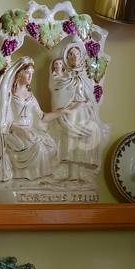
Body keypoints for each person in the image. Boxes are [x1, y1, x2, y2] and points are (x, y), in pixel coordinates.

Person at [0, 57, 59, 183]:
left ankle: (42, 178)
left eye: (32, 74)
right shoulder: (9, 95)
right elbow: (6, 121)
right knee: (37, 146)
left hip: (29, 129)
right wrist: (21, 130)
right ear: (18, 74)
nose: (30, 77)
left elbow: (42, 116)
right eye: (27, 73)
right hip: (14, 131)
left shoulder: (30, 96)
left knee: (47, 143)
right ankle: (32, 178)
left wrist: (61, 112)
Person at [49, 40, 106, 183]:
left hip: (83, 112)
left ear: (81, 57)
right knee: (69, 142)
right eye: (71, 55)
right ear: (67, 58)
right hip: (68, 112)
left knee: (81, 141)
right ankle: (71, 174)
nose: (74, 57)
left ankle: (80, 174)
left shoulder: (85, 76)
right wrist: (67, 108)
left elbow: (90, 96)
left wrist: (83, 104)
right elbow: (58, 93)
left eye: (77, 55)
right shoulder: (63, 76)